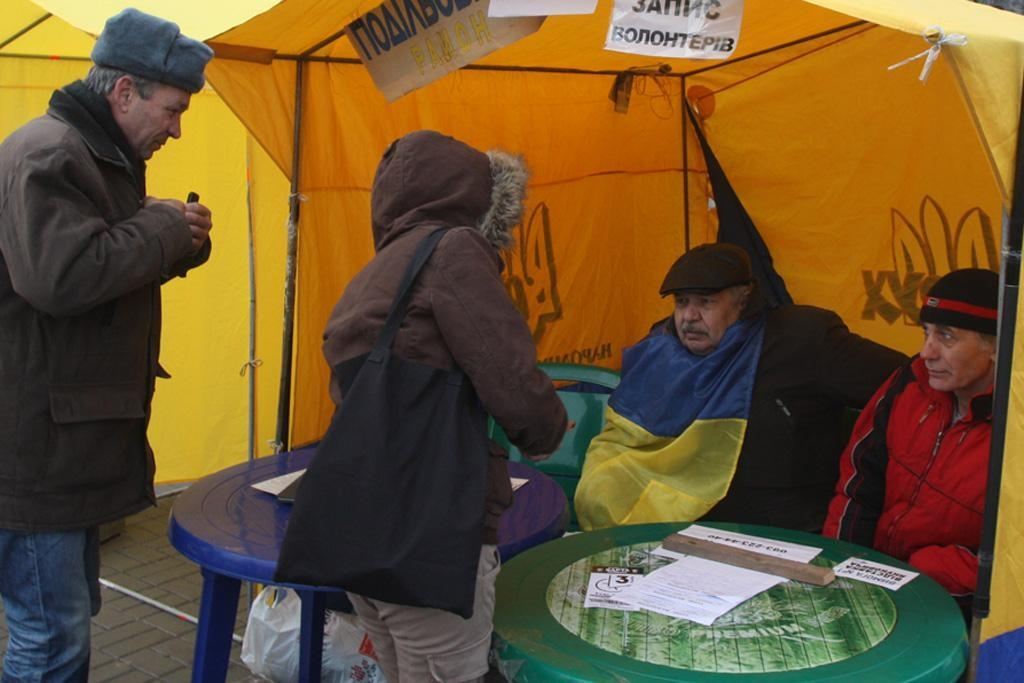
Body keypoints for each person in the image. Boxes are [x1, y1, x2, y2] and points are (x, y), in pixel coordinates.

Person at [0, 8, 213, 679]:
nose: (177, 128)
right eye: (173, 109)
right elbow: (61, 276)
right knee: (48, 639)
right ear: (125, 91)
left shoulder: (94, 155)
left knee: (59, 626)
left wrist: (179, 239)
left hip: (62, 448)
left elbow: (101, 259)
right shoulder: (50, 153)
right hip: (36, 455)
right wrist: (162, 227)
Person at [321, 130, 567, 682]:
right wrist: (549, 428)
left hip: (362, 527)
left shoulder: (376, 271)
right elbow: (510, 375)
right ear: (477, 197)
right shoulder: (452, 250)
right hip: (428, 532)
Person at [575, 242, 907, 532]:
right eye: (680, 302)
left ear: (743, 300)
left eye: (705, 303)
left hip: (788, 534)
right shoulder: (661, 348)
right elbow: (628, 442)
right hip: (684, 529)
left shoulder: (803, 340)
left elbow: (907, 382)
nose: (688, 317)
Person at [824, 268, 997, 607]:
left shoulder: (1014, 425)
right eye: (926, 333)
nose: (927, 352)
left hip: (958, 605)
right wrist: (844, 564)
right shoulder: (909, 383)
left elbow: (1010, 559)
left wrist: (926, 572)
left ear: (996, 345)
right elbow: (857, 484)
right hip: (876, 579)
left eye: (946, 337)